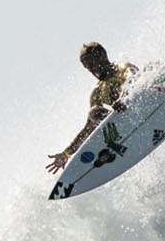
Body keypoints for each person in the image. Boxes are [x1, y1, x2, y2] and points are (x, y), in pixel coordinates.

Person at [46, 42, 140, 173]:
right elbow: (89, 128)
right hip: (123, 124)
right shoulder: (97, 92)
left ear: (102, 57)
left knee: (149, 69)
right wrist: (67, 153)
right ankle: (116, 139)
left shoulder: (123, 68)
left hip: (137, 106)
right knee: (94, 112)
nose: (90, 69)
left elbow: (134, 78)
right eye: (86, 66)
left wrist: (123, 98)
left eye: (91, 63)